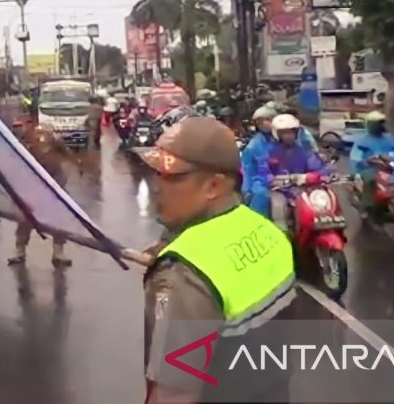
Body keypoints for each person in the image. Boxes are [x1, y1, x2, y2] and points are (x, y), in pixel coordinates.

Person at [128, 118, 295, 403]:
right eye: (155, 173)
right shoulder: (267, 231)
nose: (156, 186)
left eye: (171, 176)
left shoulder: (182, 273)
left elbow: (173, 394)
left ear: (214, 185)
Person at [8, 121, 73, 267]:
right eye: (39, 134)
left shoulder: (57, 150)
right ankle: (20, 250)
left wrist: (58, 190)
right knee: (25, 221)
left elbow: (67, 162)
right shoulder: (29, 150)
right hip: (33, 190)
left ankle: (58, 252)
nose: (42, 137)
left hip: (55, 189)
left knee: (59, 222)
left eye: (45, 134)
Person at [263, 114, 331, 226]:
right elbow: (261, 171)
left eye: (292, 131)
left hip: (302, 190)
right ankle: (283, 235)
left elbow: (317, 166)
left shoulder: (303, 150)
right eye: (285, 132)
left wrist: (319, 174)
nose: (289, 135)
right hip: (280, 190)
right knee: (278, 207)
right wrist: (272, 179)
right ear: (277, 134)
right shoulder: (269, 151)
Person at [350, 111, 394, 216]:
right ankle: (365, 207)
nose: (380, 125)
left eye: (382, 122)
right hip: (369, 168)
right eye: (378, 123)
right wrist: (367, 161)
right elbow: (355, 158)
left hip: (387, 167)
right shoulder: (362, 140)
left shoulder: (390, 138)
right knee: (370, 183)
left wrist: (391, 158)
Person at [240, 106, 276, 218]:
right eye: (260, 122)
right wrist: (246, 190)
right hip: (261, 181)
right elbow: (247, 169)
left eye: (268, 120)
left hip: (286, 180)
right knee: (261, 196)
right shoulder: (254, 145)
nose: (264, 124)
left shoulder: (286, 139)